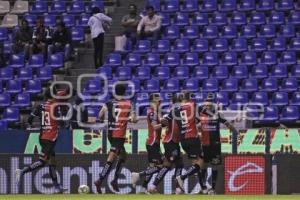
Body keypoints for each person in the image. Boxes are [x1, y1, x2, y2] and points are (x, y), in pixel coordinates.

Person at [15, 88, 67, 193]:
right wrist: (64, 120)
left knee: (52, 162)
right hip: (50, 138)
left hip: (42, 136)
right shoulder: (55, 106)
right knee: (42, 162)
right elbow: (61, 123)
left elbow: (30, 119)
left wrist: (32, 124)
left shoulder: (40, 106)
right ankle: (21, 171)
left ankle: (57, 187)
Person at [94, 84, 137, 193]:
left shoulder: (108, 103)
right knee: (111, 158)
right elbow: (134, 120)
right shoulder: (128, 104)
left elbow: (99, 115)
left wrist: (105, 119)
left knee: (123, 156)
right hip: (119, 135)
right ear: (124, 92)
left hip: (110, 134)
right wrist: (130, 117)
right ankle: (100, 179)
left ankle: (114, 180)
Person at [198, 93, 238, 195]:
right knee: (203, 166)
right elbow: (195, 125)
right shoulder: (200, 114)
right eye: (206, 105)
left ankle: (213, 189)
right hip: (205, 144)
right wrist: (198, 131)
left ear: (212, 105)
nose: (207, 107)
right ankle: (203, 188)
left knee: (215, 166)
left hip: (215, 143)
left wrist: (235, 131)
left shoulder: (217, 114)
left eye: (209, 105)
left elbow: (226, 123)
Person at [166, 92, 205, 193]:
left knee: (195, 164)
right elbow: (204, 113)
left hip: (183, 140)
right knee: (200, 161)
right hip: (192, 137)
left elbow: (166, 121)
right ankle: (182, 177)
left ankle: (203, 188)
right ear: (189, 98)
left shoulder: (175, 110)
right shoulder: (192, 105)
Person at [147, 94, 184, 194]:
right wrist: (163, 121)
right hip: (170, 141)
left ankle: (152, 185)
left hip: (172, 142)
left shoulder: (177, 111)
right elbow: (164, 121)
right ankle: (177, 189)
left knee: (169, 165)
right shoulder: (175, 111)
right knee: (175, 164)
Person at [131, 93, 164, 194]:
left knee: (152, 167)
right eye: (158, 100)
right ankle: (138, 175)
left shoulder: (154, 112)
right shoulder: (152, 113)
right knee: (161, 166)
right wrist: (164, 123)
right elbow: (155, 127)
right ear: (152, 102)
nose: (160, 101)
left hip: (153, 142)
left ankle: (143, 188)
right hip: (153, 142)